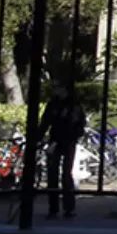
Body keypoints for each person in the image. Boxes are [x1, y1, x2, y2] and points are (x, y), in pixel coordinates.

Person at [35, 79, 88, 219]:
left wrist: (61, 140)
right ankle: (54, 208)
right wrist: (38, 138)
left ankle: (68, 207)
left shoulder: (73, 105)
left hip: (67, 142)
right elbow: (45, 122)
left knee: (66, 174)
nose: (55, 90)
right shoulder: (53, 104)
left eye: (57, 88)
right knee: (53, 174)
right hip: (56, 141)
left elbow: (76, 125)